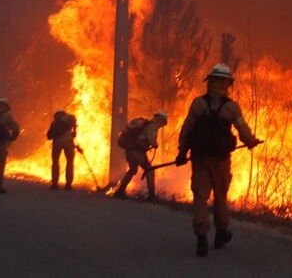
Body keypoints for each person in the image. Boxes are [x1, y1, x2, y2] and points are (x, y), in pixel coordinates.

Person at [176, 64, 262, 257]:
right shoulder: (231, 107)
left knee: (200, 196)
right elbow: (243, 129)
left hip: (200, 158)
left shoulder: (198, 104)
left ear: (210, 83)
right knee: (220, 196)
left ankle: (201, 238)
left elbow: (187, 128)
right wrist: (251, 141)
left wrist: (182, 151)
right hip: (221, 160)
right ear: (226, 84)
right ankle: (221, 232)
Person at [112, 112, 167, 201]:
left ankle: (120, 191)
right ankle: (151, 196)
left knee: (132, 170)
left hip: (131, 150)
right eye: (163, 123)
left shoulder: (146, 124)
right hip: (137, 151)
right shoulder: (152, 126)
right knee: (149, 170)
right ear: (160, 120)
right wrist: (155, 144)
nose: (162, 126)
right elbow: (151, 139)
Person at [47, 110, 77, 190]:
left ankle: (54, 183)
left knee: (55, 162)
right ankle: (68, 184)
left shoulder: (54, 123)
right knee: (70, 163)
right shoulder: (70, 121)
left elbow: (49, 135)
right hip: (69, 143)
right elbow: (74, 134)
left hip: (57, 143)